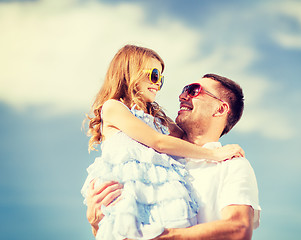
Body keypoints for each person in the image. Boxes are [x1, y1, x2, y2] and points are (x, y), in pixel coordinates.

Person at [81, 45, 244, 240]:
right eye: (154, 75)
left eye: (161, 79)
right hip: (128, 188)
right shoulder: (113, 108)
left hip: (157, 192)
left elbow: (185, 137)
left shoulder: (157, 118)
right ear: (130, 72)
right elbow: (158, 142)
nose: (158, 84)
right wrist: (214, 154)